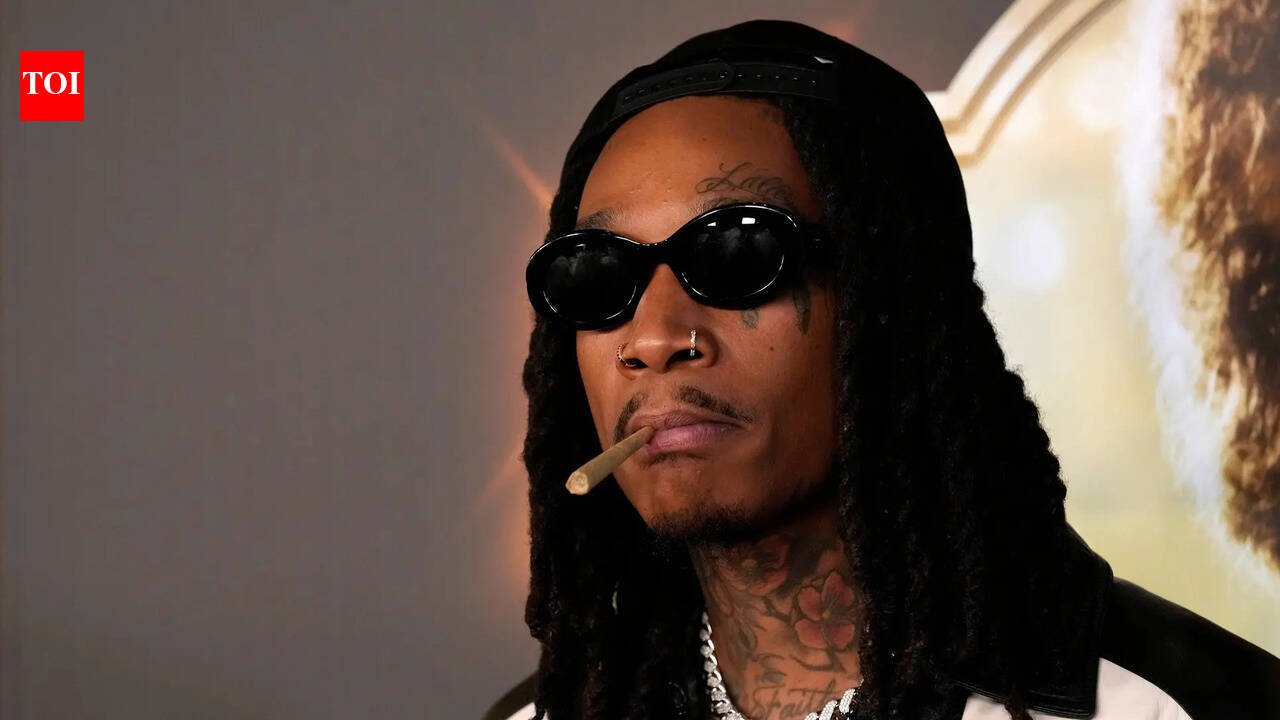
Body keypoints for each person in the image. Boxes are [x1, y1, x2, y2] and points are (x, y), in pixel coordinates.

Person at [486, 19, 1280, 720]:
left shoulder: (1182, 707)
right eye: (597, 274)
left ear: (894, 300)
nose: (654, 337)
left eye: (738, 252)